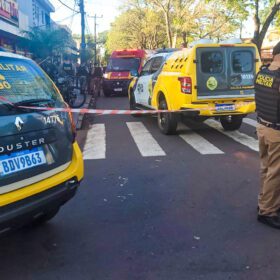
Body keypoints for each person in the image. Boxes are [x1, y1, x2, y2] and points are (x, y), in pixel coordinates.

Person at [255, 41, 280, 229]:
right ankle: (267, 211)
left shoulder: (263, 72)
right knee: (275, 172)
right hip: (276, 131)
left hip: (262, 127)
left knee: (266, 168)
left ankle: (263, 202)